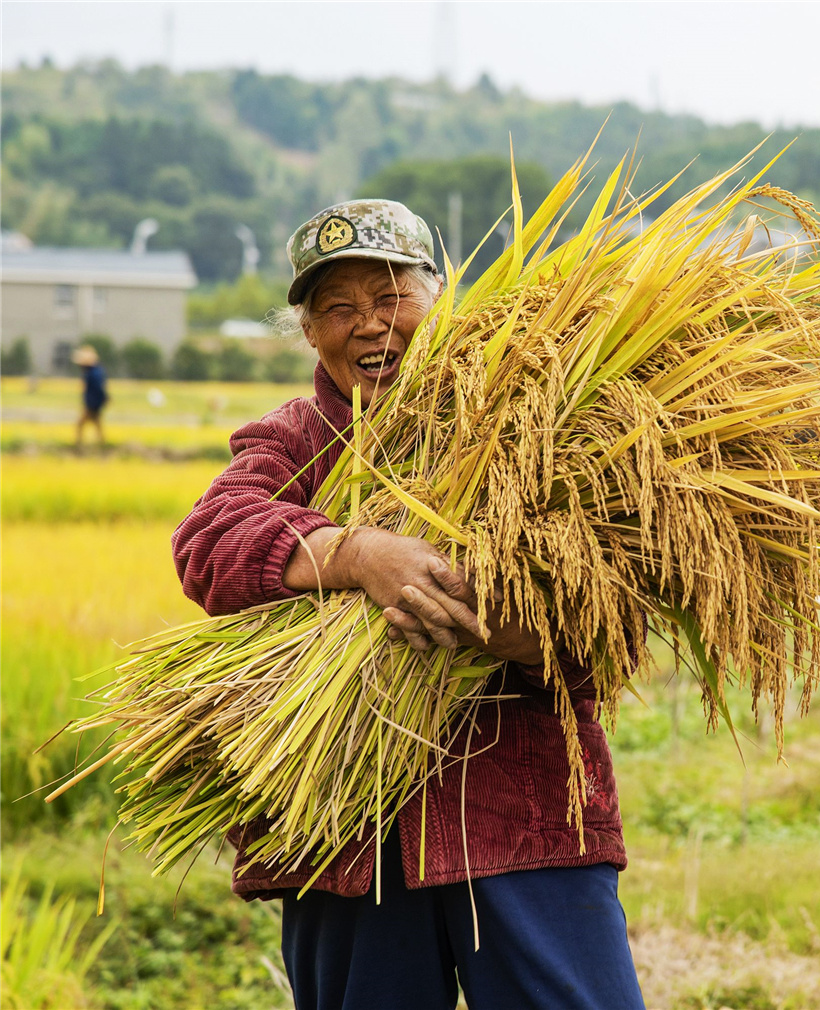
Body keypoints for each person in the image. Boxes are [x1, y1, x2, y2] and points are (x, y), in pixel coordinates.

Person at [172, 200, 645, 1010]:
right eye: (338, 307)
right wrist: (359, 555)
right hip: (349, 830)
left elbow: (616, 625)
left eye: (392, 298)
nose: (369, 325)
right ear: (309, 332)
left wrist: (520, 635)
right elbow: (209, 541)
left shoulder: (536, 424)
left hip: (525, 818)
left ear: (439, 300)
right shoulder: (293, 438)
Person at [72, 344, 108, 449]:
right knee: (97, 423)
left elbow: (97, 388)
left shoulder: (92, 373)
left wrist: (97, 400)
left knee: (80, 423)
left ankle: (78, 444)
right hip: (95, 402)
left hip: (92, 403)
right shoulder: (96, 370)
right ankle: (102, 444)